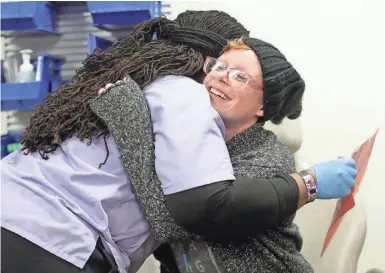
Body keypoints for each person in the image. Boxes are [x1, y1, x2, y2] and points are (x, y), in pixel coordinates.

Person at [0, 12, 356, 273]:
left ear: (263, 106)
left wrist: (306, 183)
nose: (219, 77)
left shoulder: (265, 155)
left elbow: (190, 216)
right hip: (47, 237)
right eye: (218, 66)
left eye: (240, 76)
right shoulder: (182, 96)